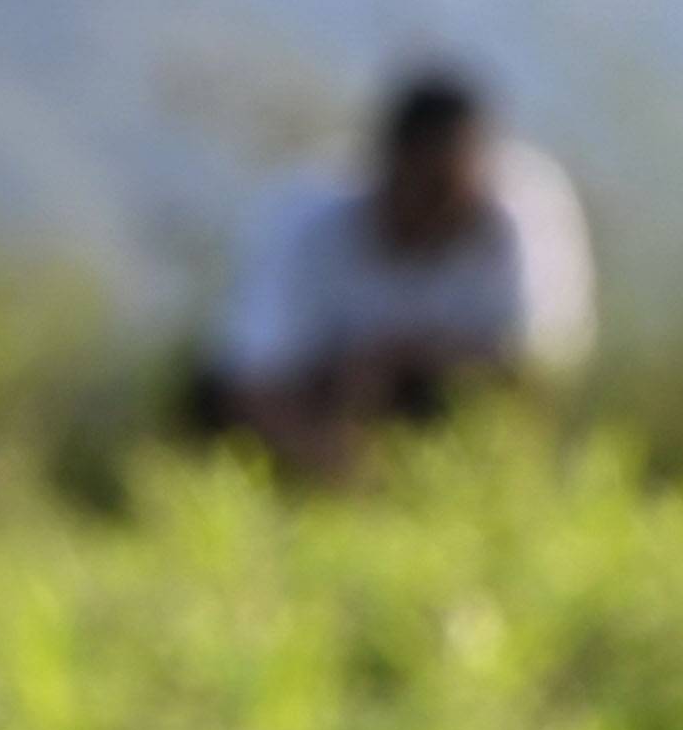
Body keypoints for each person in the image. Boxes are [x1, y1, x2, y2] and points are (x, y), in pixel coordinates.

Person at [191, 64, 593, 479]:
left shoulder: (526, 209)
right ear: (389, 167)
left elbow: (545, 368)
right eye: (430, 189)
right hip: (317, 403)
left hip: (450, 411)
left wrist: (407, 359)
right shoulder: (303, 215)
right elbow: (250, 378)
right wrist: (340, 463)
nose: (442, 211)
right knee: (206, 398)